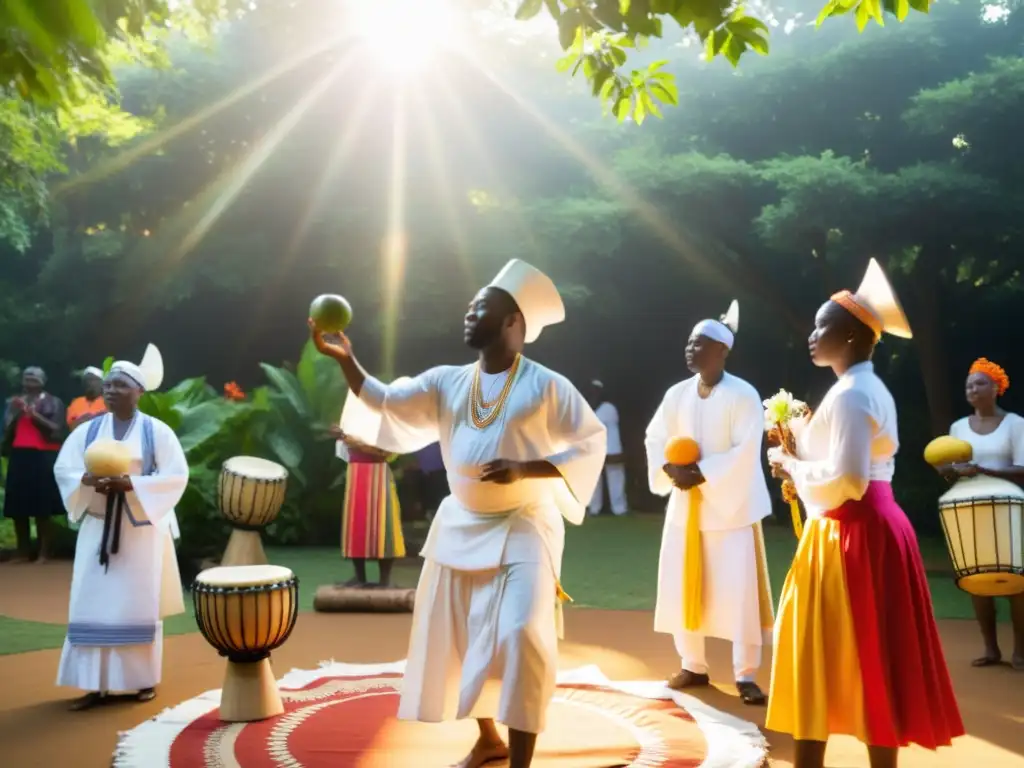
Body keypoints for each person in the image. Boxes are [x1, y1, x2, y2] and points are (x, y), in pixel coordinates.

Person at [310, 258, 607, 768]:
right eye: (469, 306)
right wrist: (345, 360)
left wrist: (525, 467)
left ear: (514, 322)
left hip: (524, 524)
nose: (469, 313)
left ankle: (519, 761)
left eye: (482, 306)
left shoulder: (546, 384)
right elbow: (385, 400)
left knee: (520, 635)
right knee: (463, 637)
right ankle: (488, 737)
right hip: (461, 525)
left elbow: (590, 440)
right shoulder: (448, 380)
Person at [766, 259, 964, 768]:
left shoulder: (853, 394)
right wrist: (800, 442)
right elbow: (848, 466)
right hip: (867, 528)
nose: (812, 335)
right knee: (878, 655)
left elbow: (850, 480)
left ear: (852, 335)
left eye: (822, 326)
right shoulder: (859, 389)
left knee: (819, 653)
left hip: (853, 534)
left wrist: (791, 464)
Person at [644, 300, 774, 706]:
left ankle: (746, 674)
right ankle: (693, 665)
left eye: (700, 344)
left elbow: (745, 449)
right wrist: (670, 470)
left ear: (723, 351)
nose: (691, 349)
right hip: (685, 508)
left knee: (739, 592)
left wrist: (700, 473)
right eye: (689, 343)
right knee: (683, 583)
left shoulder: (743, 395)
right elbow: (655, 437)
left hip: (730, 509)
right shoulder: (676, 394)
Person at [53, 344, 189, 711]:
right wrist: (87, 480)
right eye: (108, 385)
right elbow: (64, 469)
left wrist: (131, 485)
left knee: (137, 603)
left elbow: (176, 475)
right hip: (98, 526)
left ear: (139, 391)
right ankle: (94, 684)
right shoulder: (88, 430)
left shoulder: (156, 431)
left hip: (140, 530)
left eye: (120, 385)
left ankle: (141, 682)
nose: (111, 391)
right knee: (91, 600)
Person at [938, 357, 1024, 670]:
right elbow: (952, 470)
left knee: (1016, 581)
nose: (973, 389)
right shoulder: (958, 428)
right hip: (969, 507)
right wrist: (947, 470)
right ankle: (990, 648)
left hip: (1008, 507)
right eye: (969, 385)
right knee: (976, 577)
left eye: (980, 383)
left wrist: (984, 468)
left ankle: (1020, 651)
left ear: (997, 387)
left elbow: (1023, 469)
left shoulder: (1016, 424)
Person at [329, 390, 406, 588]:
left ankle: (384, 580)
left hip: (378, 474)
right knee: (356, 525)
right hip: (356, 473)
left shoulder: (387, 420)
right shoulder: (353, 423)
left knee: (384, 526)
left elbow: (385, 452)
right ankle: (360, 577)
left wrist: (350, 439)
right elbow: (348, 447)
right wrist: (342, 435)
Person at [1, 367, 66, 563]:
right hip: (19, 455)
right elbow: (5, 429)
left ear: (42, 381)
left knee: (42, 506)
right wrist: (17, 414)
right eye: (26, 378)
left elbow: (57, 430)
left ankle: (44, 552)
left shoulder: (53, 402)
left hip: (43, 456)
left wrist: (33, 414)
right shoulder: (13, 403)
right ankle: (22, 551)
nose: (29, 382)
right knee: (17, 506)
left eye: (33, 378)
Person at [586, 380, 628, 516]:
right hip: (594, 449)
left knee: (615, 478)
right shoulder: (589, 407)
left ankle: (620, 508)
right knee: (593, 480)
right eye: (592, 391)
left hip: (611, 448)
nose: (594, 394)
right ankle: (594, 508)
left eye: (596, 391)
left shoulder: (608, 408)